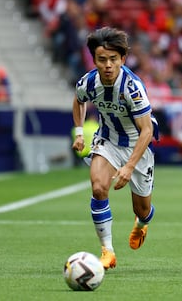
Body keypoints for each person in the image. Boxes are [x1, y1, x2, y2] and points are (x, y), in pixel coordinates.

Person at [72, 27, 159, 270]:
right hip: (108, 141)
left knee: (142, 209)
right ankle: (107, 251)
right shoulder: (89, 82)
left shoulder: (132, 87)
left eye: (113, 59)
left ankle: (142, 224)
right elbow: (78, 100)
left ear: (122, 59)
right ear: (94, 60)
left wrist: (129, 167)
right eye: (102, 59)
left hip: (137, 146)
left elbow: (147, 131)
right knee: (99, 187)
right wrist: (79, 132)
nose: (108, 65)